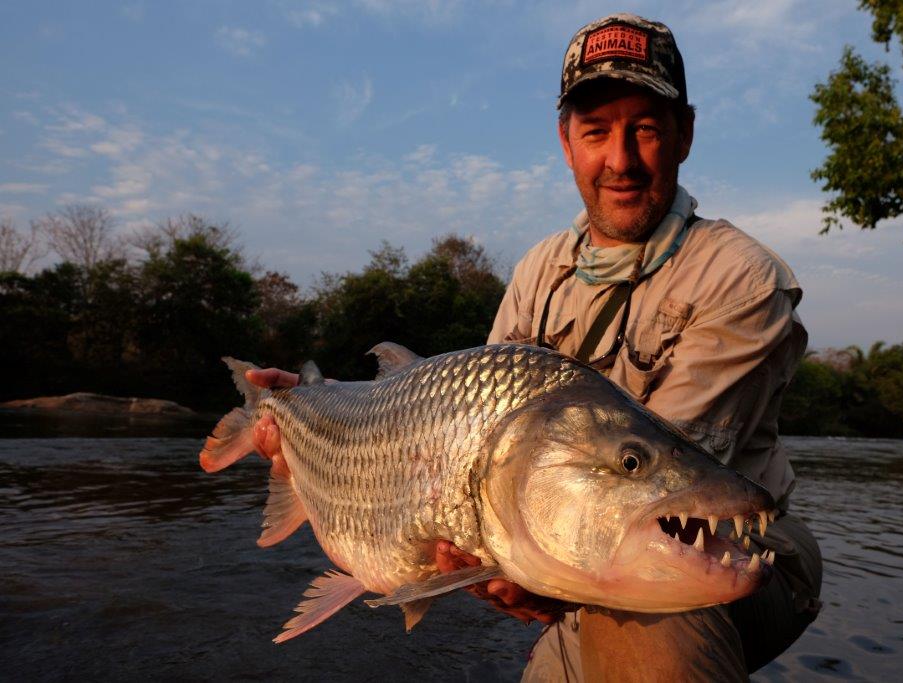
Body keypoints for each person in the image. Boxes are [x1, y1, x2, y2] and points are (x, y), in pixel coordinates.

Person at [248, 13, 821, 681]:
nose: (621, 159)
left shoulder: (741, 276)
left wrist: (530, 576)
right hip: (572, 558)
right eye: (596, 131)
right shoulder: (537, 271)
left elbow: (662, 497)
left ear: (684, 134)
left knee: (652, 613)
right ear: (566, 141)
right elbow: (473, 461)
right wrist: (312, 426)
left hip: (733, 553)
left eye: (645, 127)